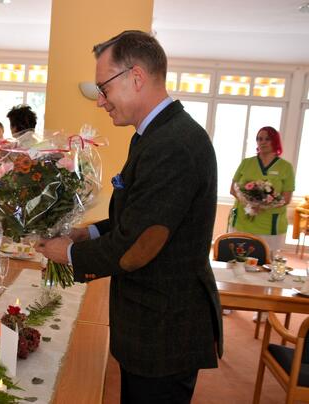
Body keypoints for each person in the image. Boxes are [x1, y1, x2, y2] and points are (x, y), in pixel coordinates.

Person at [35, 30, 222, 403]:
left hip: (164, 329)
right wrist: (88, 234)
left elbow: (138, 246)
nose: (100, 101)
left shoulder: (172, 144)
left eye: (104, 88)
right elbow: (136, 217)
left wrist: (67, 254)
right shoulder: (153, 136)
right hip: (152, 319)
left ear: (135, 77)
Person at [230, 126, 295, 253]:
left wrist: (263, 206)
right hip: (243, 222)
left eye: (267, 139)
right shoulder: (246, 163)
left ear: (275, 141)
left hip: (269, 225)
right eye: (259, 139)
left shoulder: (286, 167)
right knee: (237, 260)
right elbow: (233, 189)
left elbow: (286, 199)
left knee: (266, 264)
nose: (262, 142)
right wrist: (249, 203)